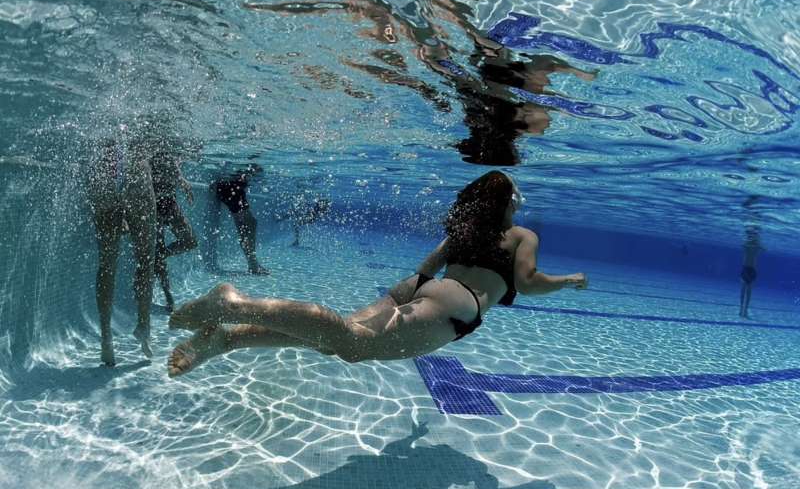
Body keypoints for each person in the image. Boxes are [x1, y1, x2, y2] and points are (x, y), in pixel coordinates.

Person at [166, 171, 587, 377]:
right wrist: (568, 281)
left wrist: (418, 293)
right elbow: (528, 284)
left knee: (336, 339)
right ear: (509, 201)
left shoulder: (464, 230)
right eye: (517, 197)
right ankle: (234, 304)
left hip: (423, 286)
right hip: (458, 304)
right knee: (351, 345)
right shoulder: (520, 234)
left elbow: (429, 268)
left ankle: (227, 338)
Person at [86, 126, 156, 366]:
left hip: (104, 170)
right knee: (146, 258)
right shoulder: (148, 124)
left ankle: (106, 338)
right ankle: (143, 326)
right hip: (137, 172)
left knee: (107, 264)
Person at [151, 151, 198, 311]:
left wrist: (182, 182)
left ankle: (160, 255)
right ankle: (167, 294)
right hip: (152, 203)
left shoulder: (174, 152)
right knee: (158, 248)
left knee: (190, 241)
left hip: (169, 202)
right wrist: (182, 181)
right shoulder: (155, 148)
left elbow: (173, 167)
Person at [211, 166, 269, 275]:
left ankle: (253, 264)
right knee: (248, 226)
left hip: (232, 190)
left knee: (245, 228)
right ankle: (253, 265)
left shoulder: (243, 170)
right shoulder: (246, 167)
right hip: (232, 190)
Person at [739, 225, 762, 318]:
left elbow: (763, 248)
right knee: (743, 291)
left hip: (752, 270)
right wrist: (750, 237)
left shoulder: (757, 247)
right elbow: (744, 244)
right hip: (746, 269)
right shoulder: (747, 245)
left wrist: (755, 238)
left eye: (755, 235)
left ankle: (745, 311)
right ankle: (741, 309)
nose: (753, 237)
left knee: (748, 292)